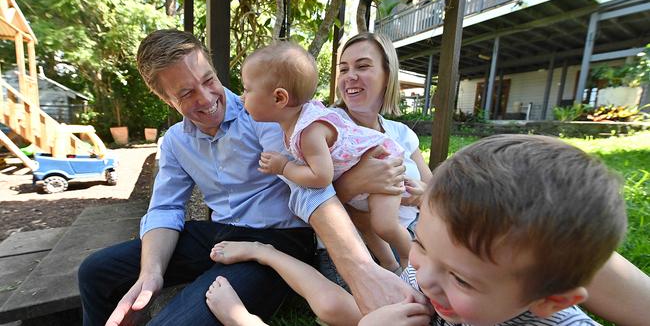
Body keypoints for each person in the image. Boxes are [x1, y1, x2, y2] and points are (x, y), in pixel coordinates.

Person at [77, 29, 423, 326]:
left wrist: (359, 268)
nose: (207, 98)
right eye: (185, 93)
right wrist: (152, 271)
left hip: (279, 238)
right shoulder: (177, 142)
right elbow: (165, 210)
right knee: (95, 271)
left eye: (208, 79)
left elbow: (307, 189)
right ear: (165, 98)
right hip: (219, 233)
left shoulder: (265, 112)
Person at [319, 32, 650, 325]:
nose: (350, 76)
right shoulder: (323, 128)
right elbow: (305, 197)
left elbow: (435, 191)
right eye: (344, 68)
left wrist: (419, 195)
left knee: (546, 223)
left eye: (362, 66)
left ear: (387, 74)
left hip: (429, 232)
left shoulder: (401, 133)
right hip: (376, 241)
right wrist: (355, 185)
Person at [205, 134, 626, 326]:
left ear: (551, 301)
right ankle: (266, 252)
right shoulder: (432, 284)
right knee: (339, 309)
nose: (423, 277)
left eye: (461, 277)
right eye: (421, 243)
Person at [240, 41, 412, 271]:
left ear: (280, 98)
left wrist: (284, 167)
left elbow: (321, 177)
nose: (242, 97)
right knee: (365, 221)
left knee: (384, 224)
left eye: (247, 89)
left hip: (382, 159)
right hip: (363, 176)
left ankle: (411, 261)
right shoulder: (296, 122)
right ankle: (391, 266)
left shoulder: (309, 131)